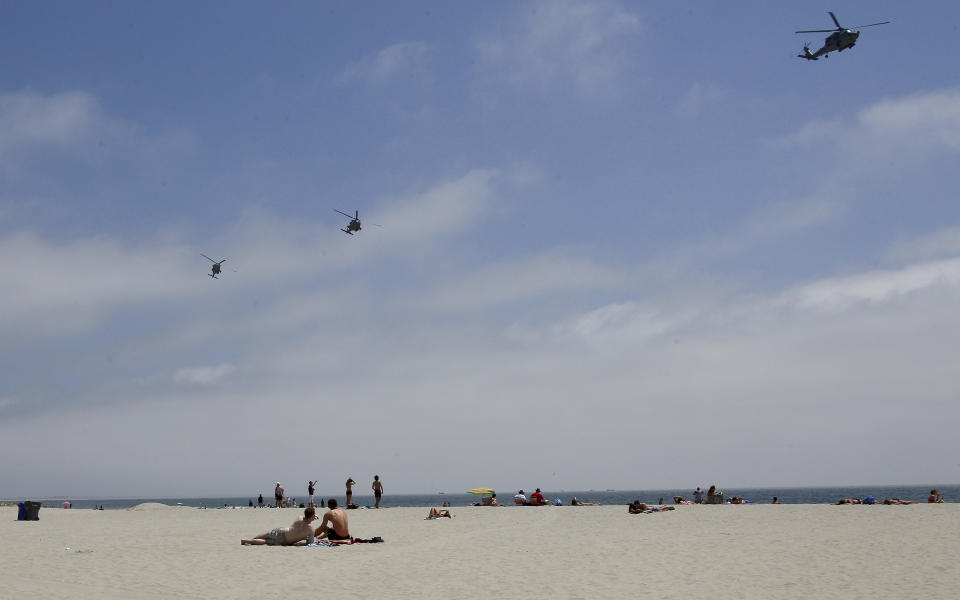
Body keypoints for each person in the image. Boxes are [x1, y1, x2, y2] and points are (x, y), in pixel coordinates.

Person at [241, 507, 318, 545]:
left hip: (283, 531)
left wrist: (311, 518)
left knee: (267, 534)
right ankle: (247, 541)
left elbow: (304, 519)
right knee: (266, 542)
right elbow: (309, 543)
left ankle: (250, 539)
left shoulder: (299, 518)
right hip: (286, 541)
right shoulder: (311, 529)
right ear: (312, 516)